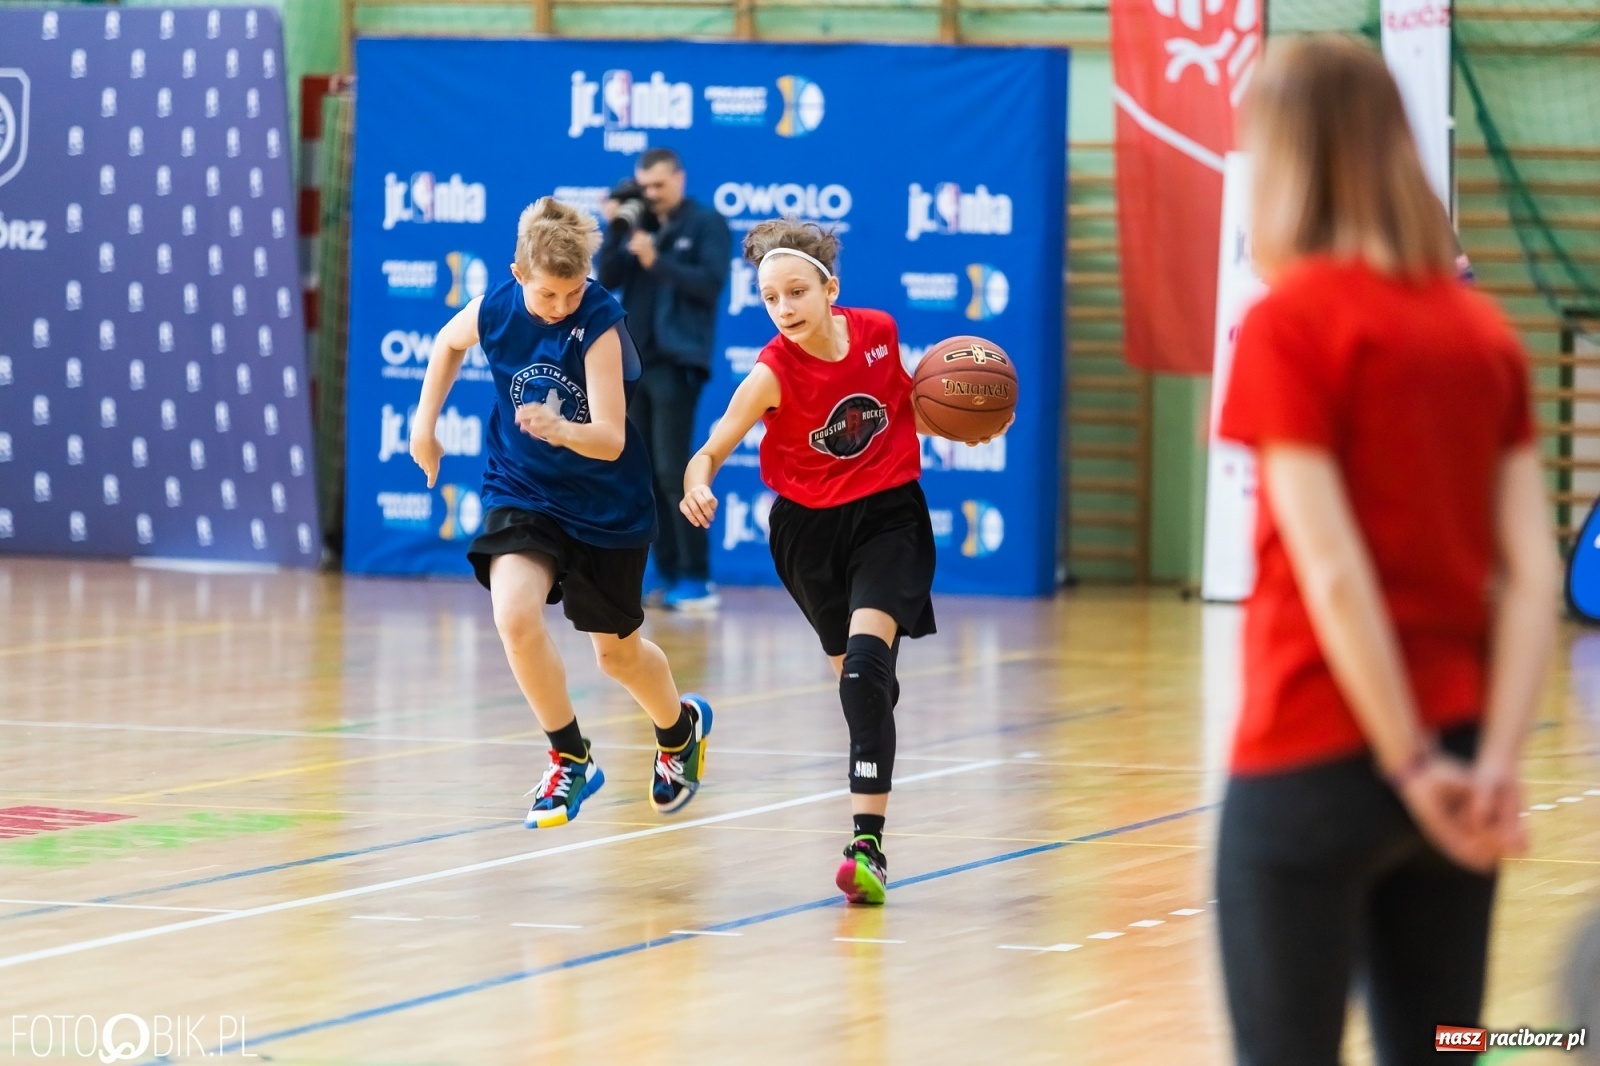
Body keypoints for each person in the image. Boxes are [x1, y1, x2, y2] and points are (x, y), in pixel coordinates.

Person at [1214, 36, 1558, 1066]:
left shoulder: (1290, 326)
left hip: (1313, 752)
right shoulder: (1480, 331)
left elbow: (1330, 571)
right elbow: (1534, 574)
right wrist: (1486, 762)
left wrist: (1404, 764)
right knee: (1445, 1044)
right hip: (1460, 744)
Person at [681, 220, 1009, 905]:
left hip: (890, 515)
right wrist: (698, 478)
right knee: (864, 686)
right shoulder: (771, 372)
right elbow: (711, 446)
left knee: (863, 672)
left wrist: (974, 421)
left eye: (797, 291)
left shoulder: (879, 332)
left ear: (831, 288)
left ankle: (867, 845)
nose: (785, 308)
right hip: (807, 535)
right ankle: (874, 705)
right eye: (771, 298)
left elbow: (902, 410)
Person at [410, 197, 714, 830]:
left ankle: (679, 730)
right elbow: (446, 344)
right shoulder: (495, 307)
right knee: (513, 614)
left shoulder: (600, 321)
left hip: (605, 504)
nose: (561, 305)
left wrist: (559, 426)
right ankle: (570, 756)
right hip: (521, 490)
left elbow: (609, 436)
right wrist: (424, 427)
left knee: (616, 656)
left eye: (572, 291)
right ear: (520, 276)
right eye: (549, 295)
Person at [599, 147, 733, 612]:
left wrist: (657, 259)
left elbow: (710, 284)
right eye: (645, 187)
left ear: (679, 177)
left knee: (675, 471)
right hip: (637, 361)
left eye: (659, 185)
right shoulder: (639, 221)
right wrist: (617, 228)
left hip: (678, 362)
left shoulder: (706, 223)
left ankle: (697, 578)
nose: (651, 195)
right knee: (645, 473)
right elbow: (607, 274)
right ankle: (671, 575)